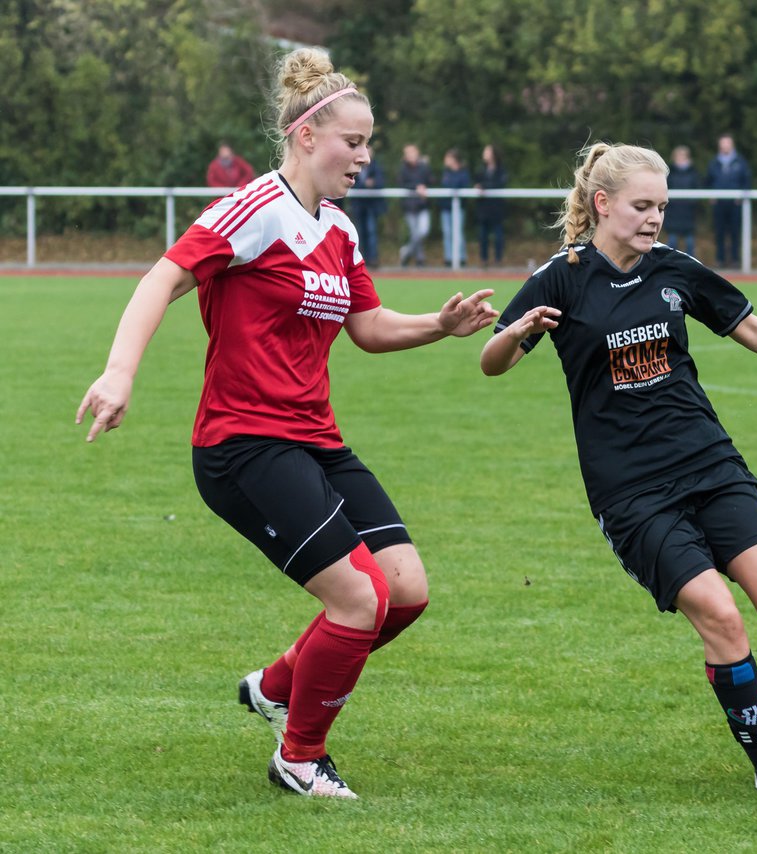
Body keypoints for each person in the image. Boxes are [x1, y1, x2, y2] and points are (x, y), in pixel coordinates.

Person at [76, 48, 498, 800]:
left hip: (314, 440)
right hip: (243, 446)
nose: (365, 157)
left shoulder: (337, 228)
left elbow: (368, 326)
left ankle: (276, 686)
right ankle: (299, 757)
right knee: (358, 598)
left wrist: (440, 324)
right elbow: (164, 274)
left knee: (404, 591)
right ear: (307, 135)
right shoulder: (254, 208)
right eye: (354, 141)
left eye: (369, 142)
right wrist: (120, 370)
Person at [480, 143, 757, 800]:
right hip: (631, 491)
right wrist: (515, 332)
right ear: (603, 204)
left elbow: (751, 328)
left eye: (662, 207)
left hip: (708, 464)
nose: (655, 219)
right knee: (721, 618)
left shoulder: (674, 270)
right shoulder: (560, 278)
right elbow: (492, 362)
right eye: (642, 206)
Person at [705, 134, 751, 268]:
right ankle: (720, 260)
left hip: (735, 204)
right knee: (719, 233)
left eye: (727, 143)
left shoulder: (740, 162)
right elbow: (708, 181)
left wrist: (741, 196)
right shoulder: (714, 163)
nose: (725, 146)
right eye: (723, 143)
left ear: (732, 145)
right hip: (719, 204)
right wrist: (711, 195)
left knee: (735, 233)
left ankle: (735, 260)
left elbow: (746, 181)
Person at [348, 145, 386, 268]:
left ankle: (373, 259)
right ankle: (361, 260)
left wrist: (372, 184)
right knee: (359, 233)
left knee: (371, 231)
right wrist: (365, 185)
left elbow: (380, 183)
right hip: (358, 205)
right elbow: (349, 184)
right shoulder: (353, 167)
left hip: (371, 206)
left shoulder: (377, 167)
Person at [398, 144, 433, 267]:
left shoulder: (424, 167)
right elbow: (402, 184)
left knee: (422, 232)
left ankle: (406, 252)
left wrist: (425, 187)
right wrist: (416, 187)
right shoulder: (403, 169)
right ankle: (420, 258)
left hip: (422, 205)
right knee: (415, 233)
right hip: (410, 207)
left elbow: (432, 181)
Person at [475, 144, 509, 267]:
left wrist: (484, 186)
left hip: (496, 209)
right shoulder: (481, 169)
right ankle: (484, 260)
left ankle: (498, 259)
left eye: (487, 151)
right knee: (482, 236)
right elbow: (477, 183)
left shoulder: (501, 170)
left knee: (498, 236)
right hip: (483, 209)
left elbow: (500, 183)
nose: (484, 153)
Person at [663, 145, 699, 255]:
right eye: (678, 156)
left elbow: (698, 190)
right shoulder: (669, 174)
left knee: (690, 244)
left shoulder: (694, 173)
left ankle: (691, 268)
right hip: (673, 214)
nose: (680, 159)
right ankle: (669, 266)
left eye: (683, 156)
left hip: (689, 214)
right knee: (672, 243)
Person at [438, 149, 471, 267]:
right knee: (447, 232)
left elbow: (462, 186)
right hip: (446, 208)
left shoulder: (463, 173)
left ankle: (461, 258)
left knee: (458, 232)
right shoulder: (446, 173)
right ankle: (448, 258)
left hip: (458, 208)